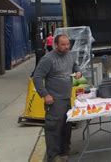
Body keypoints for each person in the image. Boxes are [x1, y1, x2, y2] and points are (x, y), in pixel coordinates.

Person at [32, 34, 82, 162]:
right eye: (63, 44)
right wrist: (45, 94)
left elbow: (75, 65)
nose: (66, 47)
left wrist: (78, 72)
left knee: (66, 126)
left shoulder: (69, 55)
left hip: (66, 98)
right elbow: (37, 77)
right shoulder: (48, 59)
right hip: (54, 100)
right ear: (56, 45)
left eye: (67, 44)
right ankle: (53, 156)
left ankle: (64, 152)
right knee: (53, 129)